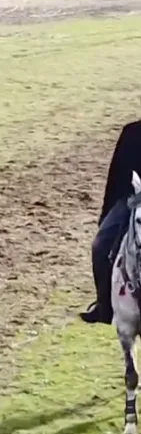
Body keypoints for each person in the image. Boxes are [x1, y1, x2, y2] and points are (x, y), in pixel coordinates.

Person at [81, 119, 141, 325]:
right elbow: (115, 178)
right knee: (99, 246)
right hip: (131, 200)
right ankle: (104, 306)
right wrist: (106, 215)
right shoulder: (131, 133)